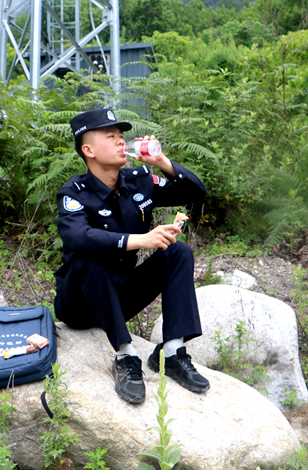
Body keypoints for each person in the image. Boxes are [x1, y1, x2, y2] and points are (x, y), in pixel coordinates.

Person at [53, 107, 209, 405]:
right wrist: (141, 240)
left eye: (121, 136)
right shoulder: (74, 193)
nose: (121, 142)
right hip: (80, 304)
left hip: (121, 295)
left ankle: (172, 352)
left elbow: (195, 193)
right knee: (91, 255)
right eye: (110, 137)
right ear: (88, 150)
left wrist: (161, 161)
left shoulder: (138, 179)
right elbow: (77, 237)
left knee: (178, 251)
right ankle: (125, 357)